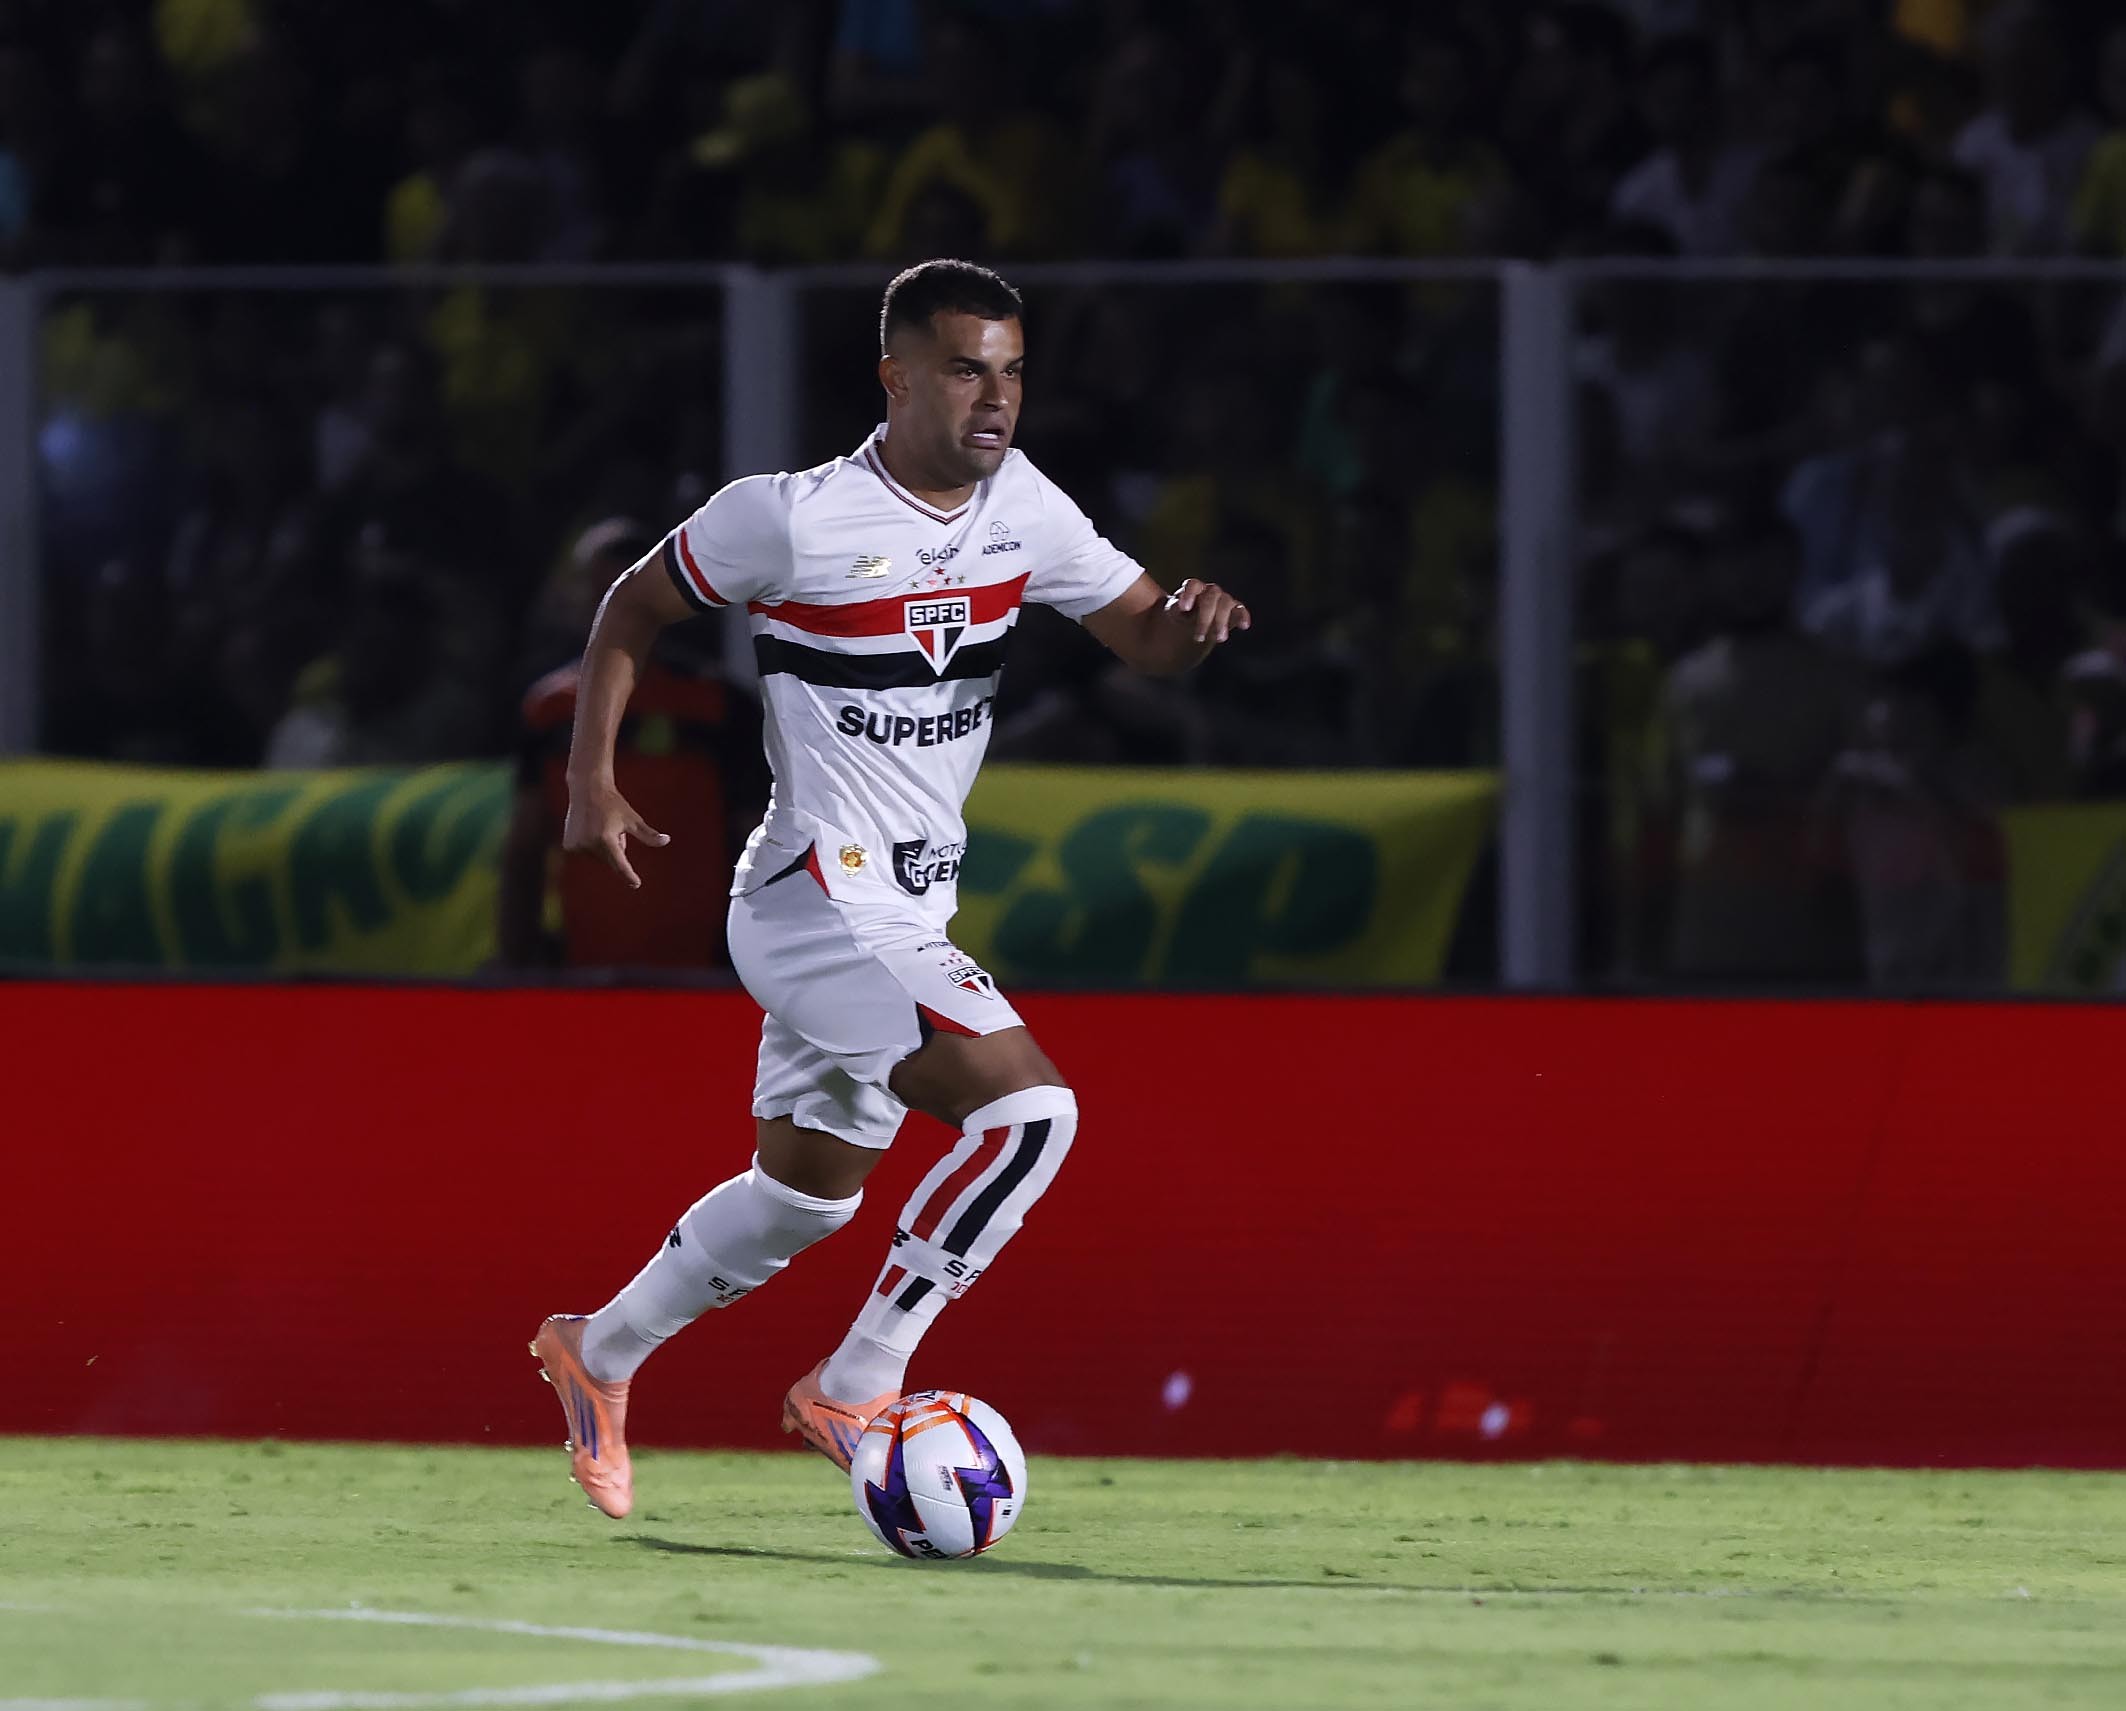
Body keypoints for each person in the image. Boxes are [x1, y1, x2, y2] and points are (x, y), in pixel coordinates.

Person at [528, 259, 1250, 1517]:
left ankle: (597, 1349)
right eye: (966, 369)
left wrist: (1188, 628)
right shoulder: (788, 518)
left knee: (803, 1196)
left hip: (905, 909)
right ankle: (859, 1380)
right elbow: (632, 607)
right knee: (1029, 1116)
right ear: (896, 378)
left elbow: (1142, 633)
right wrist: (590, 782)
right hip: (816, 895)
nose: (995, 397)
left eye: (1011, 371)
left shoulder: (1023, 506)